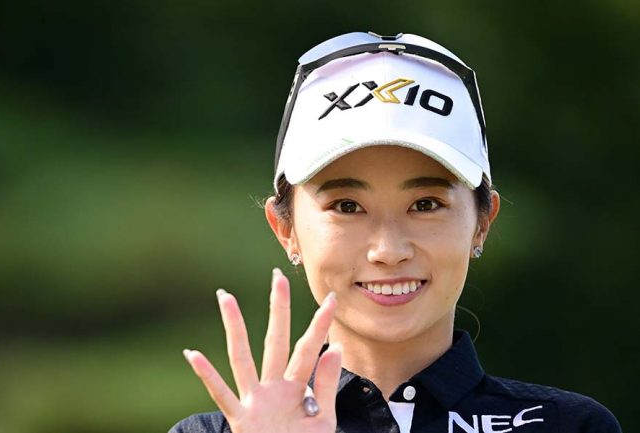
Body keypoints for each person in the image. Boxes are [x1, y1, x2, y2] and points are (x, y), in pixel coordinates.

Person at [168, 32, 622, 433]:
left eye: (425, 205)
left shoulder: (569, 425)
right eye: (347, 207)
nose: (388, 250)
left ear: (482, 222)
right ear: (285, 229)